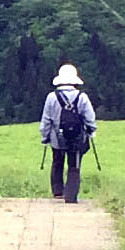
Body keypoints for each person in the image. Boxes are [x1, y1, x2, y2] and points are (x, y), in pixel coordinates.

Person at [40, 64, 97, 203]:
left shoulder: (51, 97)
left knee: (57, 162)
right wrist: (91, 130)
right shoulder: (82, 97)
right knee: (74, 166)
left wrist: (45, 136)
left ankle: (58, 192)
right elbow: (90, 117)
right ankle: (71, 196)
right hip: (77, 137)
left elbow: (46, 119)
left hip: (57, 138)